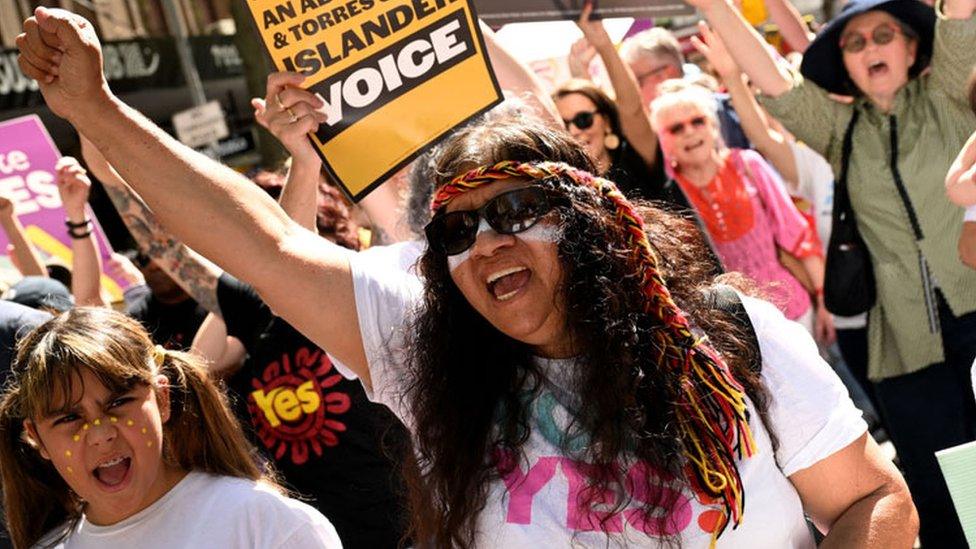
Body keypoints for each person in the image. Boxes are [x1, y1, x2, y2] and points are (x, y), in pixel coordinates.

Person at [16, 8, 917, 547]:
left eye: (518, 209)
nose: (485, 242)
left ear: (595, 223)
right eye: (455, 226)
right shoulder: (426, 352)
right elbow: (260, 244)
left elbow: (875, 500)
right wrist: (98, 111)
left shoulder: (730, 337)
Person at [691, 0, 976, 544]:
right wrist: (712, 6)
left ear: (913, 47)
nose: (870, 47)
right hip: (906, 345)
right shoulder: (840, 129)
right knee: (941, 490)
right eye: (854, 42)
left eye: (883, 34)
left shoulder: (948, 96)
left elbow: (961, 16)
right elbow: (773, 80)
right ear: (842, 63)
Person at [79, 104, 412, 546]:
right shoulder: (248, 306)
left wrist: (304, 158)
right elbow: (166, 247)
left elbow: (288, 246)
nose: (258, 244)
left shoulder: (365, 301)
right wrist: (108, 175)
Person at [0, 307, 341, 548]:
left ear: (162, 398)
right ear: (36, 438)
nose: (102, 434)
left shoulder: (265, 523)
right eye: (69, 418)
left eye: (119, 403)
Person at [691, 22, 882, 429]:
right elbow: (761, 135)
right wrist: (732, 78)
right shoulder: (817, 158)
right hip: (854, 315)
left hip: (903, 312)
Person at [650, 84, 833, 342]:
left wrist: (824, 299)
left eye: (698, 121)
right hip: (736, 330)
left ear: (713, 127)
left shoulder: (748, 164)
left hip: (792, 311)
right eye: (676, 128)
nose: (689, 132)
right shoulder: (670, 194)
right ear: (663, 142)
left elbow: (796, 233)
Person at [557, 3, 665, 200]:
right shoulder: (566, 188)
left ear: (606, 122)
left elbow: (632, 108)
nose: (574, 131)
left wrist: (603, 44)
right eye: (564, 124)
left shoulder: (634, 158)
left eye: (583, 119)